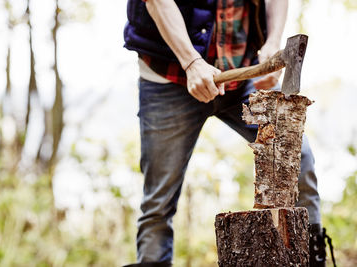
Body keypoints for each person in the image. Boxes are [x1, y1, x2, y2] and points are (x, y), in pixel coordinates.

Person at [123, 0, 328, 266]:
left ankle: (314, 261)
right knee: (158, 200)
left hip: (241, 77)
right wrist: (191, 61)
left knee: (300, 159)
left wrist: (270, 44)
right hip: (169, 78)